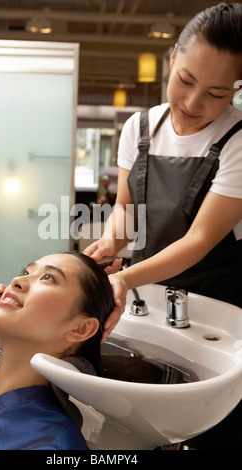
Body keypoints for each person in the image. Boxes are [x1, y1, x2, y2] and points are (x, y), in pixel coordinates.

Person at [84, 3, 242, 449]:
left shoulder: (238, 140)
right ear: (172, 58)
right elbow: (125, 211)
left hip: (219, 304)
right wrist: (110, 243)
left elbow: (199, 239)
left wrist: (126, 276)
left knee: (212, 423)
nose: (193, 103)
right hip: (145, 299)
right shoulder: (138, 127)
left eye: (216, 93)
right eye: (186, 80)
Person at [0, 252, 114, 450]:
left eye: (48, 277)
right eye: (26, 272)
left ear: (80, 329)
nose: (17, 280)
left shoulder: (52, 443)